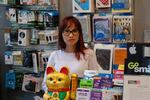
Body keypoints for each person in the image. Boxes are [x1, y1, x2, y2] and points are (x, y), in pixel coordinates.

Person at [42, 16, 99, 92]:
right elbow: (45, 84)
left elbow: (96, 82)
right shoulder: (54, 55)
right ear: (61, 34)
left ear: (79, 33)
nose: (71, 35)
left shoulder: (89, 54)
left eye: (74, 31)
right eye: (67, 31)